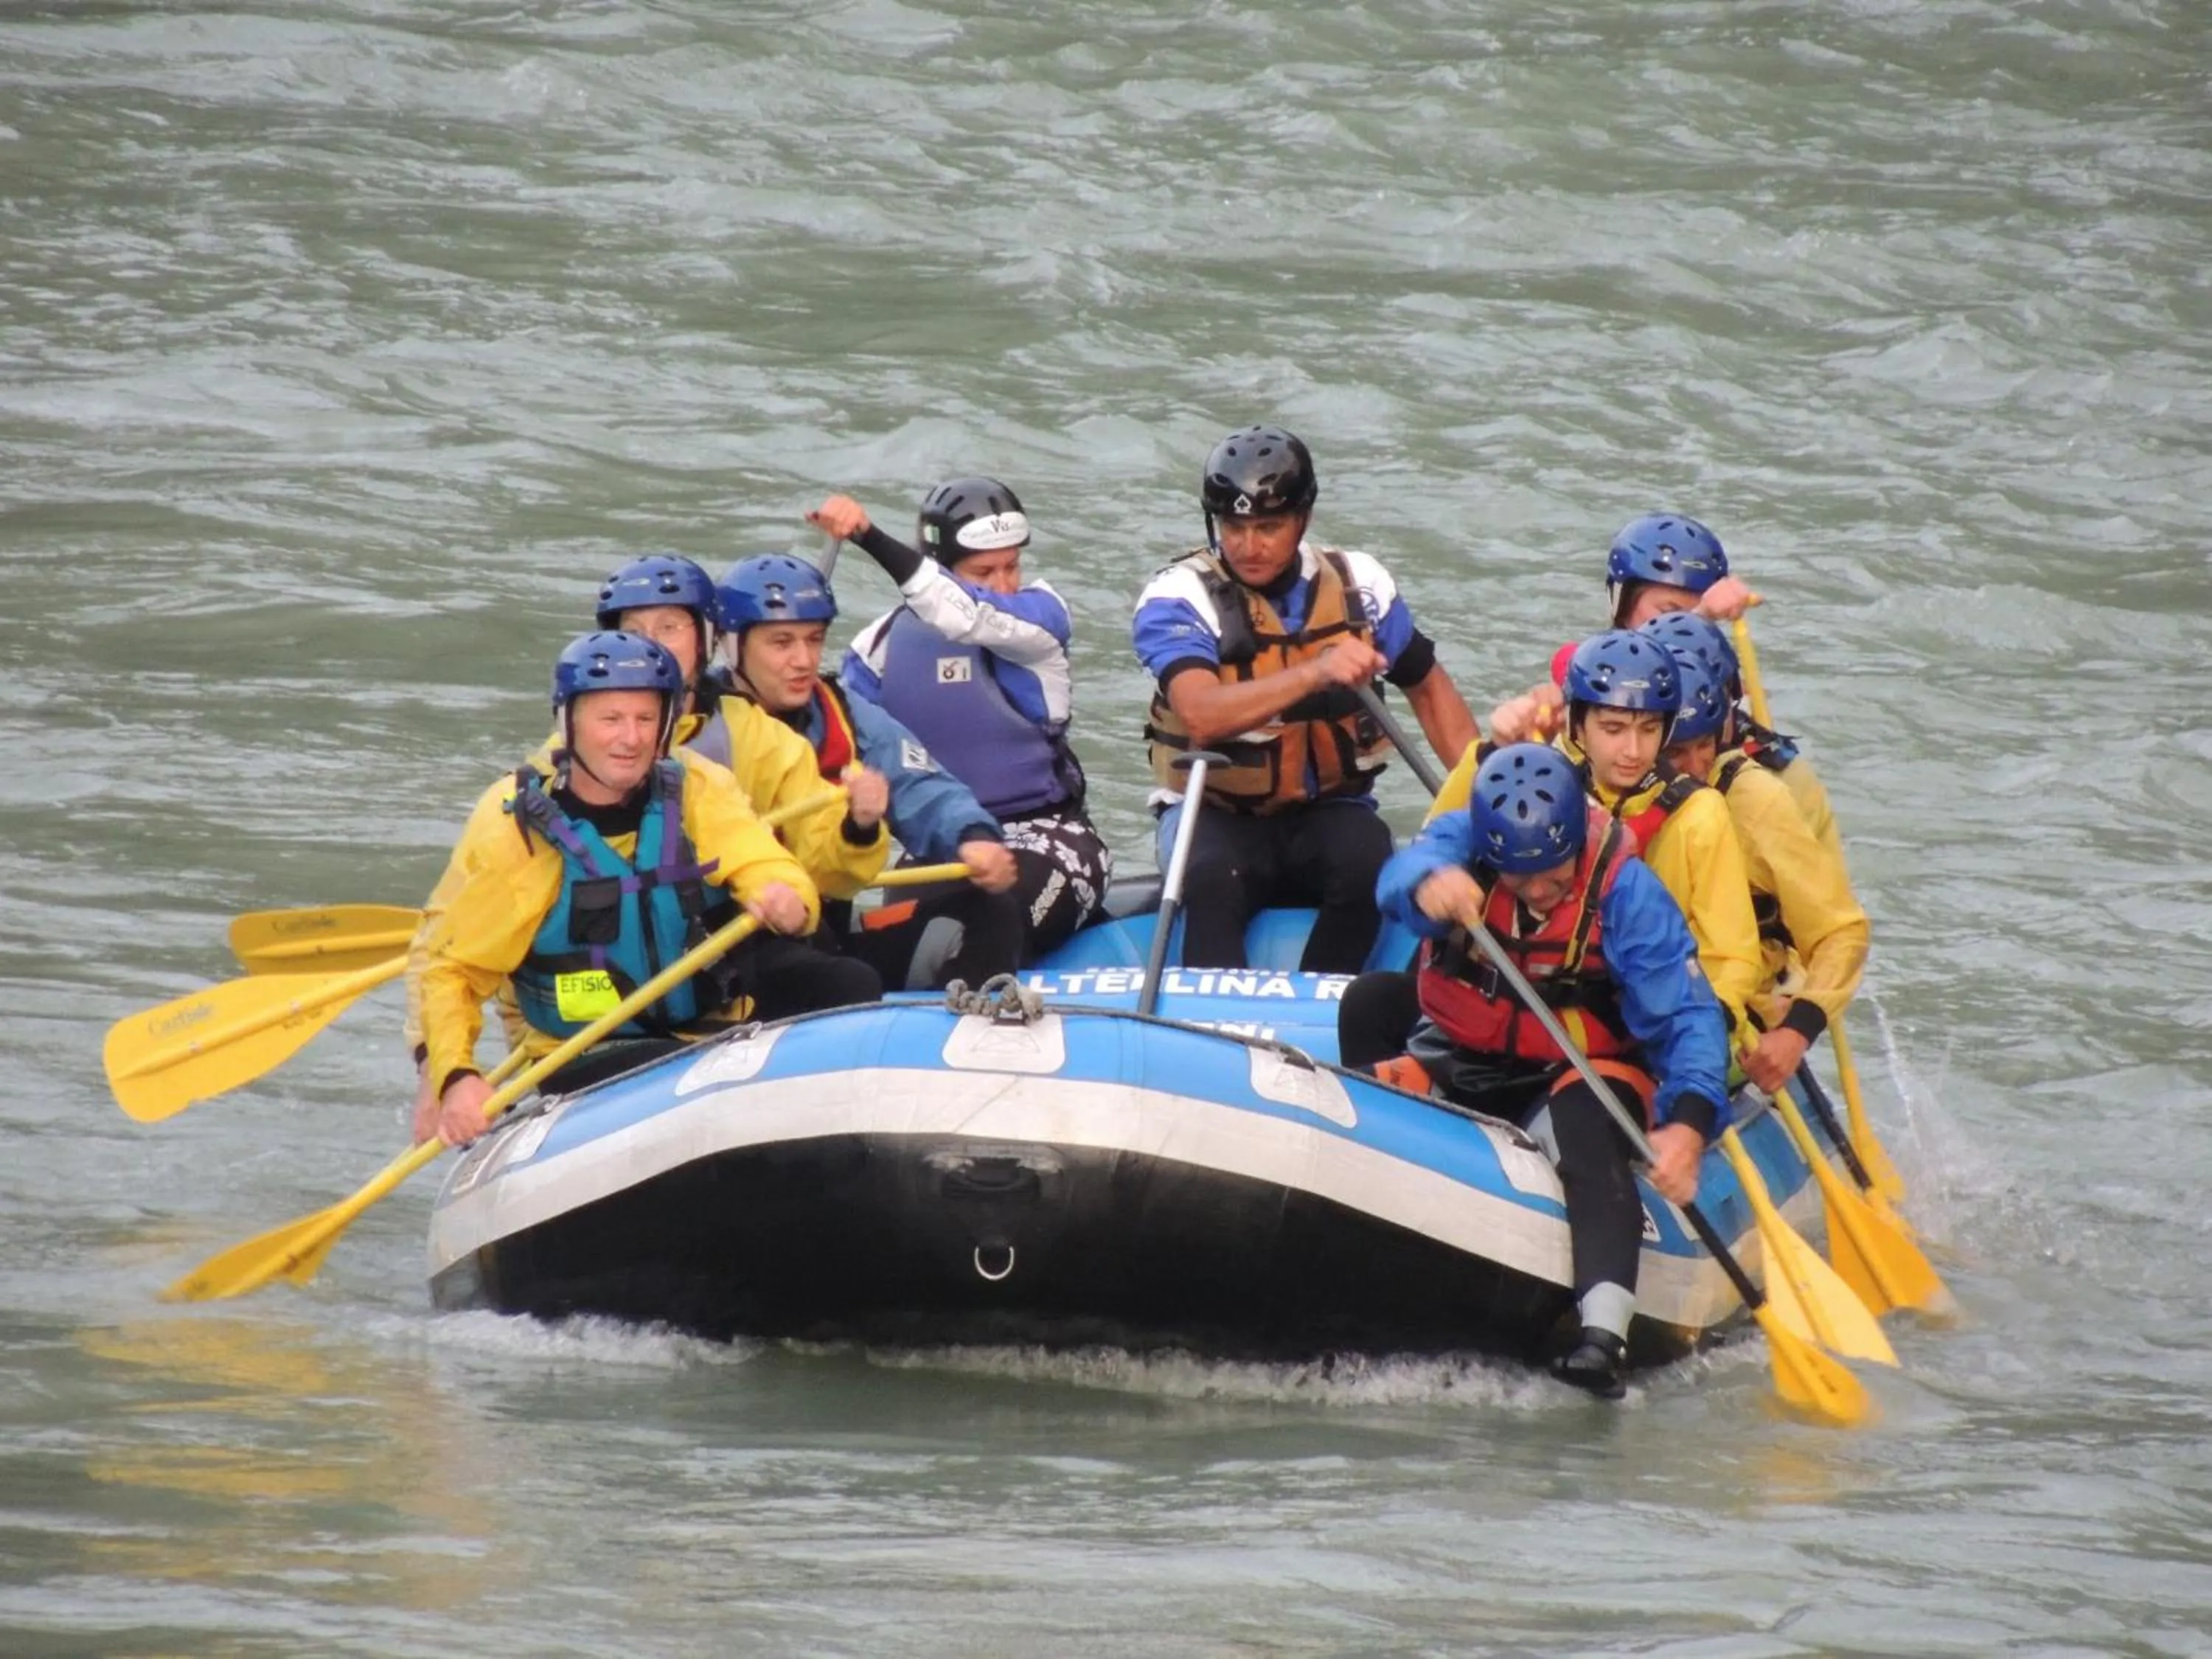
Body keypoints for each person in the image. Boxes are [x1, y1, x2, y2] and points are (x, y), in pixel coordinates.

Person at [403, 554, 891, 1140]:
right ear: (571, 723)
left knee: (849, 983)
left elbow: (762, 858)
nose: (630, 739)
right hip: (582, 1047)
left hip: (700, 1029)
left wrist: (785, 896)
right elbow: (452, 966)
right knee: (670, 1090)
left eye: (644, 719)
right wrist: (450, 1073)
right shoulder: (517, 823)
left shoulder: (695, 785)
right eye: (610, 718)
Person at [1357, 743, 1730, 1398]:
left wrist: (1690, 1126)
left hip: (1579, 1065)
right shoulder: (1467, 842)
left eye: (1553, 877)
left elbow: (1688, 1015)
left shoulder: (1625, 889)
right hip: (1465, 1056)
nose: (1536, 891)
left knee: (1591, 1136)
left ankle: (1602, 1338)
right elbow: (1400, 875)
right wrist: (1425, 881)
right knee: (1367, 1006)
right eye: (1520, 879)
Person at [1131, 424, 1478, 973]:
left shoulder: (1359, 587)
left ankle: (1329, 1002)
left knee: (1368, 861)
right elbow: (1200, 714)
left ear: (1303, 520)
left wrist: (1485, 797)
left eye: (1268, 527)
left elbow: (1429, 690)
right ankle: (1215, 1025)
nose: (1249, 545)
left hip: (1329, 809)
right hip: (1216, 812)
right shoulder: (1178, 595)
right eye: (1234, 527)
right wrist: (1316, 672)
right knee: (1211, 880)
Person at [808, 479, 1113, 957]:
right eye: (984, 571)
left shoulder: (1041, 621)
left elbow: (967, 614)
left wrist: (867, 534)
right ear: (941, 571)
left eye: (1011, 567)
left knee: (981, 937)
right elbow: (836, 741)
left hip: (1050, 839)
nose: (1004, 585)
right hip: (941, 851)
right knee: (878, 958)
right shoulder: (876, 651)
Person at [1433, 631, 1761, 1051]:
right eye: (1613, 728)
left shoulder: (1701, 813)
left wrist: (1696, 1029)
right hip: (1538, 988)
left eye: (1648, 729)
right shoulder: (1551, 776)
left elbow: (1732, 955)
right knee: (1375, 1002)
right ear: (1579, 728)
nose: (1632, 750)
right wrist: (1493, 752)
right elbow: (1438, 834)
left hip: (1635, 1013)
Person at [715, 554, 1026, 990]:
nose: (804, 660)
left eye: (814, 640)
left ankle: (965, 1032)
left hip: (827, 927)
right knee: (848, 980)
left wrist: (971, 836)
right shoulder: (706, 723)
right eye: (782, 643)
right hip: (744, 941)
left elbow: (920, 783)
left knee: (992, 907)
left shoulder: (841, 712)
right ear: (732, 646)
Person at [1492, 515, 1843, 859]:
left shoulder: (1749, 749)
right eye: (1668, 611)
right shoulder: (1581, 674)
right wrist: (1702, 614)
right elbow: (1580, 666)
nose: (1677, 629)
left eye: (1689, 620)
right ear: (1621, 603)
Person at [1644, 625, 1869, 1096]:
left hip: (1733, 1012)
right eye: (1674, 752)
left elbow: (1839, 931)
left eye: (1703, 746)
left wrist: (1795, 1032)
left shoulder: (1758, 802)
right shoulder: (1612, 778)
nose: (1693, 770)